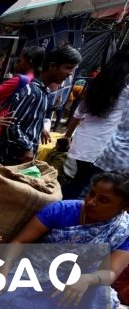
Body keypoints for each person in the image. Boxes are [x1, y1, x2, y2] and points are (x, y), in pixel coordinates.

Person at [0, 172, 129, 309]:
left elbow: (112, 272)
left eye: (103, 200)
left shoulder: (123, 230)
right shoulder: (61, 210)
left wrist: (87, 279)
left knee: (107, 298)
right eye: (91, 194)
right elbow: (19, 242)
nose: (91, 202)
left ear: (123, 206)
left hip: (77, 282)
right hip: (37, 271)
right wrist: (2, 271)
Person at [0, 46, 81, 166]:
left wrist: (39, 128)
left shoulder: (43, 92)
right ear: (52, 66)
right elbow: (11, 125)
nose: (70, 74)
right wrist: (27, 147)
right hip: (10, 160)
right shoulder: (32, 92)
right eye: (68, 68)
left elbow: (26, 120)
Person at [61, 47, 129, 198]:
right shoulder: (125, 90)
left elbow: (78, 114)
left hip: (83, 142)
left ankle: (61, 205)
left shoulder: (98, 83)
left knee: (79, 182)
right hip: (102, 147)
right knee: (90, 189)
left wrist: (67, 136)